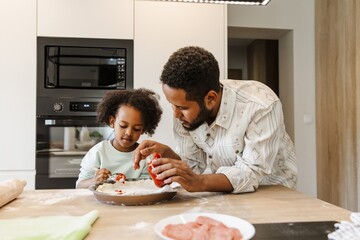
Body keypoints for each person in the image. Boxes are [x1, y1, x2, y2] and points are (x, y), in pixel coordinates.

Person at [133, 46, 297, 193]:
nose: (175, 114)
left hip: (274, 193)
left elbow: (251, 173)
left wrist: (200, 182)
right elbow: (193, 168)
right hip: (226, 195)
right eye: (172, 105)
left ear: (210, 98)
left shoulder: (260, 105)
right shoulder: (183, 111)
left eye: (183, 108)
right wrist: (169, 155)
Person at [76, 88, 162, 189]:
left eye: (136, 129)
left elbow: (146, 187)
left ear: (143, 129)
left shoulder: (145, 156)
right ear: (112, 122)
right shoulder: (98, 152)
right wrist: (94, 181)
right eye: (123, 126)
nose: (129, 133)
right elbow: (79, 186)